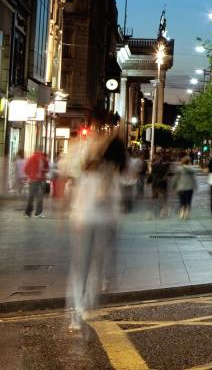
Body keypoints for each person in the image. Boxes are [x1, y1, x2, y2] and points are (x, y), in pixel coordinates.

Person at [66, 136, 125, 332]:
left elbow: (79, 198)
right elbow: (113, 205)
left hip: (84, 221)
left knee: (80, 268)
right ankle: (85, 307)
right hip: (101, 224)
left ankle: (77, 311)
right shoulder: (111, 175)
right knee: (94, 268)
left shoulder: (90, 174)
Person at [24, 148, 49, 218]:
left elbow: (25, 169)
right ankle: (38, 213)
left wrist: (30, 176)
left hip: (32, 180)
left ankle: (28, 213)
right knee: (39, 197)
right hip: (40, 180)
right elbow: (47, 168)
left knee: (31, 196)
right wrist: (43, 172)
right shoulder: (43, 158)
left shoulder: (31, 158)